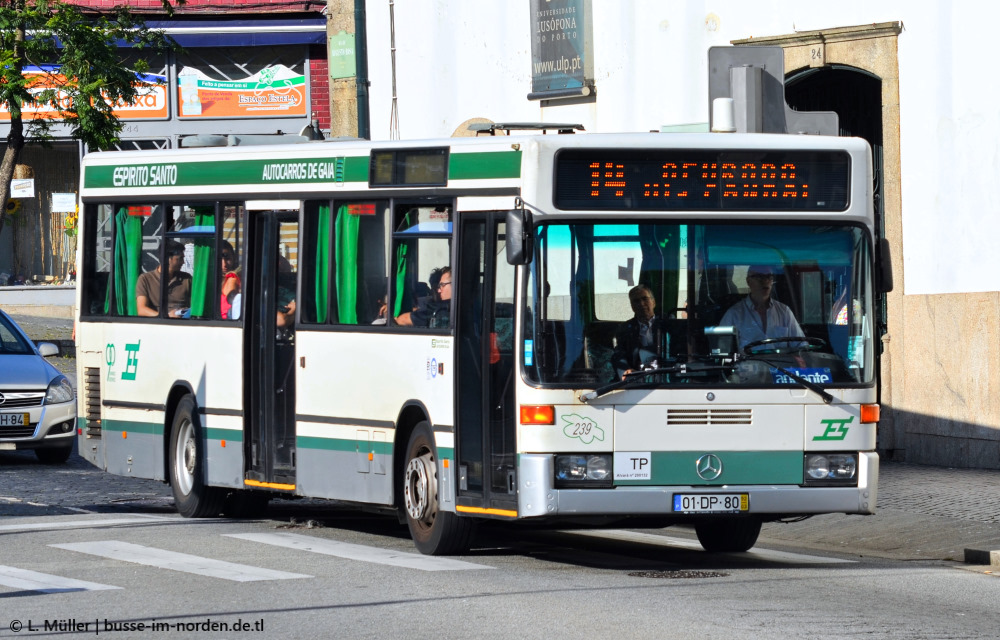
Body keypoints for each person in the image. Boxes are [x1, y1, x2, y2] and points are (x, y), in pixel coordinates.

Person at [720, 264, 804, 350]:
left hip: (779, 362)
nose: (765, 281)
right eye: (759, 277)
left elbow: (801, 346)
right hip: (747, 363)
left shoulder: (784, 312)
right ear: (748, 281)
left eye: (769, 277)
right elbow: (723, 350)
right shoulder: (734, 314)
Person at [613, 284, 670, 378]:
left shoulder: (668, 323)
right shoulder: (625, 329)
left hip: (666, 376)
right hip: (638, 378)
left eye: (645, 299)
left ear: (653, 302)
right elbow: (619, 354)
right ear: (632, 306)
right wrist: (625, 370)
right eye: (636, 301)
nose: (641, 304)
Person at [136, 241, 191, 318]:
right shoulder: (145, 279)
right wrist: (166, 317)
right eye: (180, 258)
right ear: (168, 259)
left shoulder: (187, 279)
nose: (183, 262)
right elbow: (142, 310)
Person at [220, 241, 240, 319]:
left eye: (228, 259)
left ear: (234, 258)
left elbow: (232, 298)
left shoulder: (232, 277)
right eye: (220, 259)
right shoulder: (211, 279)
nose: (224, 264)